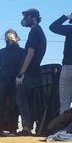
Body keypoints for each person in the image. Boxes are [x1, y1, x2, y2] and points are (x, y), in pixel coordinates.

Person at [16, 8, 47, 136]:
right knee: (30, 101)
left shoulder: (35, 32)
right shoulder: (39, 32)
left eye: (27, 17)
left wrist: (21, 73)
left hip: (29, 72)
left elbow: (30, 53)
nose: (25, 20)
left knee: (22, 99)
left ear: (33, 18)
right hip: (35, 72)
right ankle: (29, 127)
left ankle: (26, 128)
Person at [0, 29, 24, 133]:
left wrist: (21, 77)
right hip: (3, 80)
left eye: (11, 37)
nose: (9, 40)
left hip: (15, 81)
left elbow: (24, 66)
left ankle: (13, 129)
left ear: (17, 38)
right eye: (7, 38)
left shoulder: (22, 51)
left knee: (14, 105)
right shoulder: (2, 51)